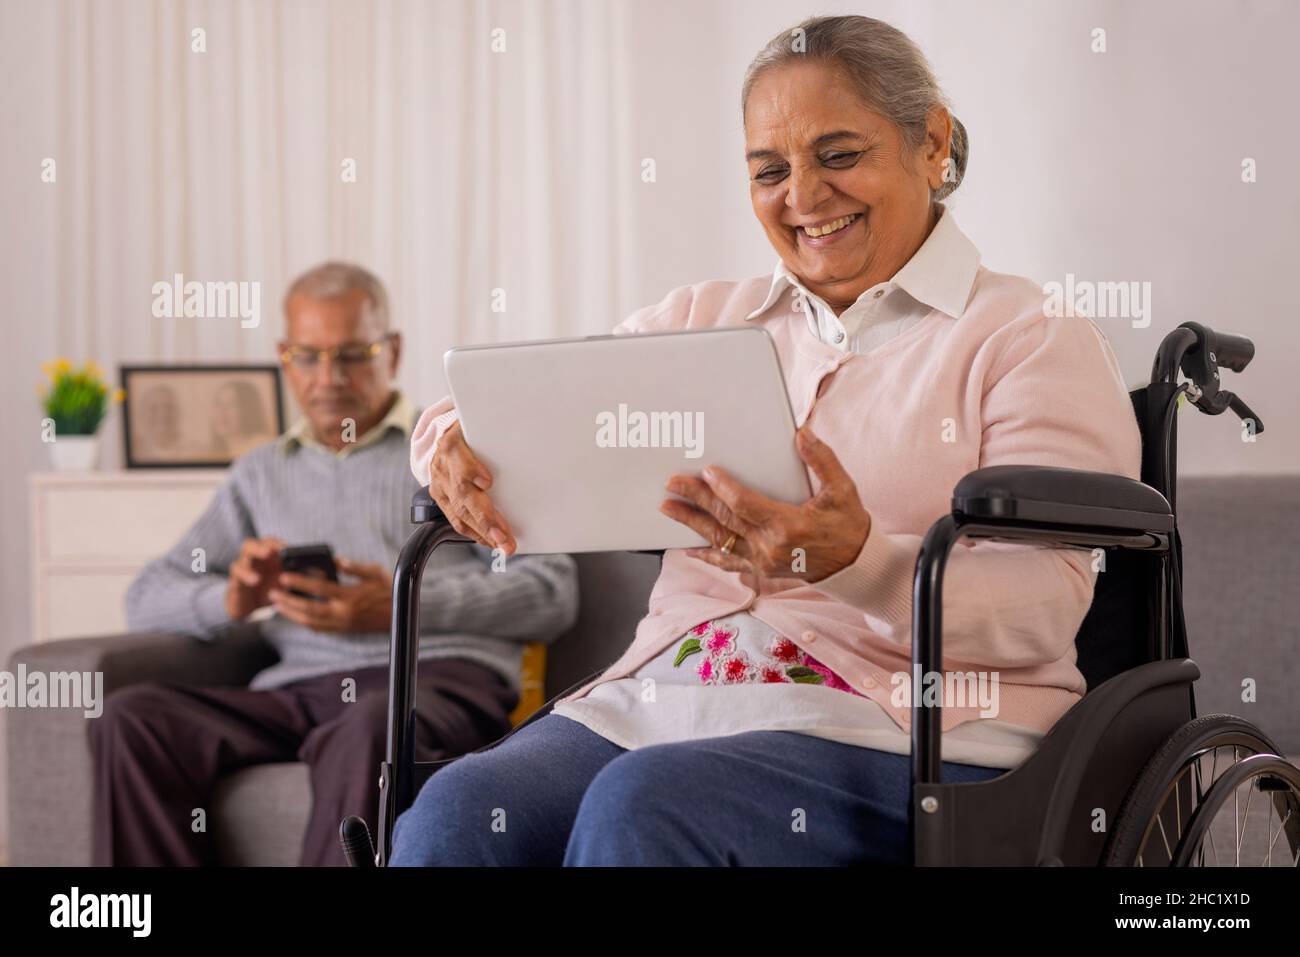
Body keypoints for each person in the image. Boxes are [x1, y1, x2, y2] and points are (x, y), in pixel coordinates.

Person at [391, 15, 1141, 866]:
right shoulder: (698, 320)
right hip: (663, 699)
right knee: (454, 812)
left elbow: (1044, 604)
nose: (804, 197)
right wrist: (448, 440)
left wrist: (855, 559)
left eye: (839, 154)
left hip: (910, 726)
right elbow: (514, 405)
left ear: (930, 142)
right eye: (770, 170)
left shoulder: (1029, 335)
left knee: (648, 807)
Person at [91, 261, 579, 866]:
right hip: (296, 692)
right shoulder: (260, 473)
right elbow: (145, 596)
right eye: (309, 355)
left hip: (429, 682)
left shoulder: (454, 453)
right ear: (284, 356)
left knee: (371, 722)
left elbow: (552, 592)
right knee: (133, 718)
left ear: (392, 352)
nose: (329, 378)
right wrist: (233, 600)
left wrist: (394, 610)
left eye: (352, 354)